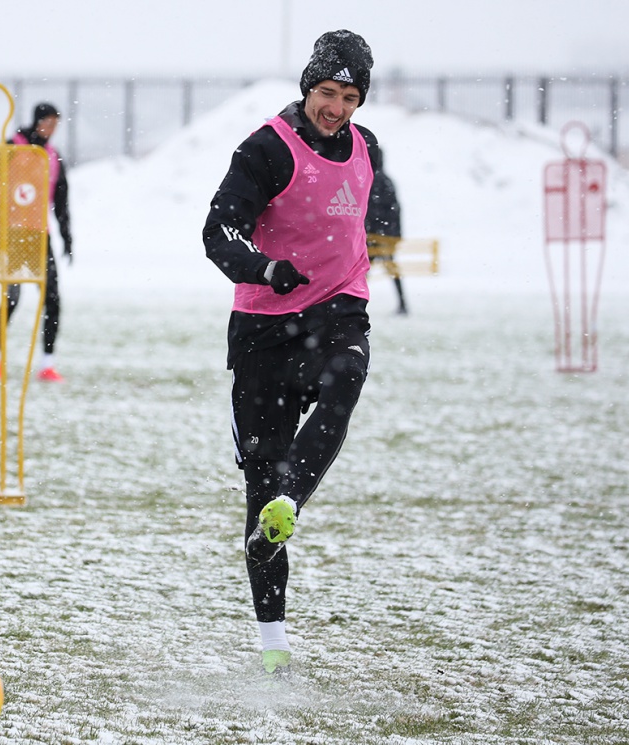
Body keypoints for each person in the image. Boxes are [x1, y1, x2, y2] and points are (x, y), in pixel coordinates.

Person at [202, 29, 378, 679]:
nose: (336, 107)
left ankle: (292, 505)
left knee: (347, 378)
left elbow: (359, 205)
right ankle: (273, 637)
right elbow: (218, 231)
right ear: (308, 88)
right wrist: (263, 266)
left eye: (350, 96)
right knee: (261, 483)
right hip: (264, 333)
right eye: (327, 93)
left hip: (336, 312)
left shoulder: (366, 148)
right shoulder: (265, 150)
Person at [0, 102, 73, 383]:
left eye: (55, 125)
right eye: (47, 122)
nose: (50, 129)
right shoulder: (12, 147)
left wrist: (67, 236)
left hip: (39, 235)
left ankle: (47, 364)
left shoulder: (53, 157)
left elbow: (61, 203)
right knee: (12, 298)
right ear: (37, 121)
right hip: (10, 235)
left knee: (53, 299)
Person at [365, 148, 408, 315]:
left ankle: (354, 302)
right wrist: (395, 234)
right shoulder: (387, 181)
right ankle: (403, 303)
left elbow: (369, 210)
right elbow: (395, 210)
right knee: (390, 268)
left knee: (363, 271)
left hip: (374, 235)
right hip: (386, 235)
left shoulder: (369, 180)